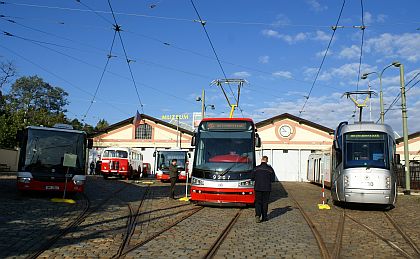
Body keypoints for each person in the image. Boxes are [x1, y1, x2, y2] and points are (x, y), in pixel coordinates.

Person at [252, 156, 275, 223]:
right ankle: (264, 217)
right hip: (267, 188)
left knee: (258, 202)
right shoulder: (270, 169)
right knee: (265, 202)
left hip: (258, 187)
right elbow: (272, 180)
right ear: (267, 161)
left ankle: (257, 215)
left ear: (261, 160)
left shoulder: (256, 168)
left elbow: (252, 178)